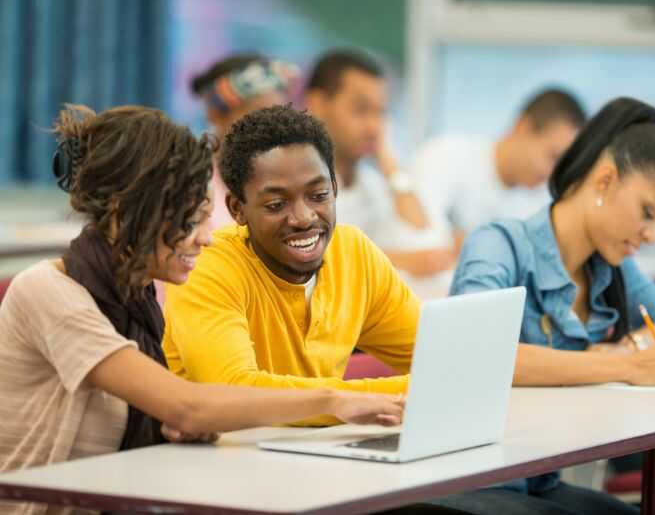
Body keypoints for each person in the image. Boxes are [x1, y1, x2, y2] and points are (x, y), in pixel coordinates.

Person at [0, 104, 405, 515]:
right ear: (131, 216)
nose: (206, 239)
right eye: (190, 221)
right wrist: (332, 399)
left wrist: (170, 428)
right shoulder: (50, 293)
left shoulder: (135, 304)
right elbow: (187, 407)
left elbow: (173, 417)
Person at [438, 97, 655, 515]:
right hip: (467, 480)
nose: (651, 235)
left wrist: (631, 350)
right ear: (604, 181)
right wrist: (626, 367)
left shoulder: (609, 266)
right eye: (647, 213)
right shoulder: (499, 244)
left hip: (537, 481)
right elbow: (480, 355)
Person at [162, 105, 419, 426]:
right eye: (276, 204)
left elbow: (443, 356)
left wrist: (492, 372)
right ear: (237, 209)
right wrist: (357, 400)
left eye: (319, 195)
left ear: (335, 189)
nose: (304, 218)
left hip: (317, 455)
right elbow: (234, 389)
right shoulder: (207, 266)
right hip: (220, 463)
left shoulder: (354, 253)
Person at [304, 49, 455, 280]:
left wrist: (389, 163)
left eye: (381, 113)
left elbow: (427, 238)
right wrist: (403, 261)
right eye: (361, 110)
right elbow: (310, 258)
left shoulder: (371, 182)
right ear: (318, 104)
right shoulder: (295, 180)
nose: (374, 126)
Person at [412, 88, 586, 246]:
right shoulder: (446, 155)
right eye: (552, 157)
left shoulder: (540, 206)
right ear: (523, 127)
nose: (551, 175)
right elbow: (415, 233)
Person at [190, 53, 300, 227]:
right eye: (258, 116)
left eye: (280, 115)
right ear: (215, 114)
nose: (273, 127)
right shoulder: (190, 186)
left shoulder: (297, 178)